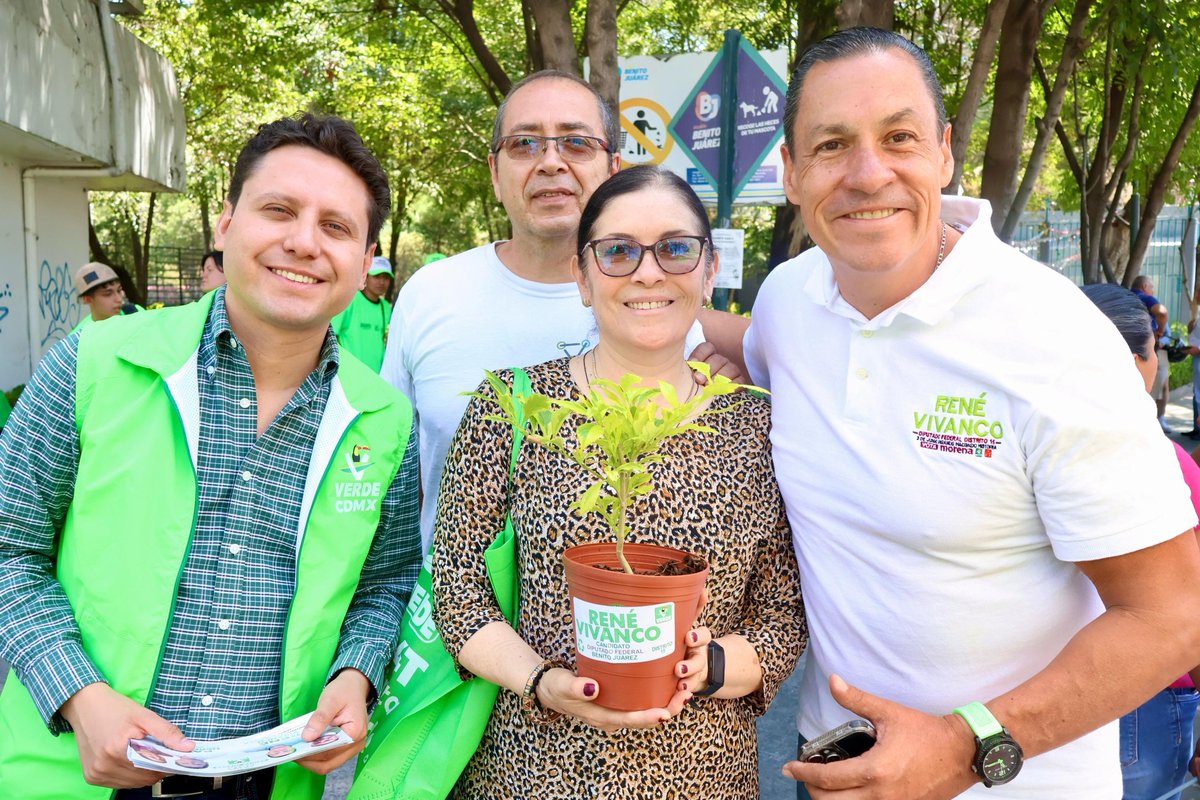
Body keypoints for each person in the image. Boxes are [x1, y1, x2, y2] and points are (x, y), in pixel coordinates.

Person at [730, 27, 1200, 798]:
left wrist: (962, 746)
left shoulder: (1053, 338)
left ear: (945, 152)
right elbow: (726, 350)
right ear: (788, 170)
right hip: (835, 775)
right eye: (831, 145)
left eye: (899, 137)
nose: (867, 172)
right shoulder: (788, 301)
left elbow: (1172, 615)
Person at [0, 113, 422, 800]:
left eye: (336, 227)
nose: (303, 242)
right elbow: (8, 547)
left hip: (271, 780)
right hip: (76, 771)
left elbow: (384, 585)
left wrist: (357, 675)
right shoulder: (96, 362)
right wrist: (77, 695)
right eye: (279, 210)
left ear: (366, 254)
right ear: (225, 225)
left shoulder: (384, 418)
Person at [431, 165, 804, 798]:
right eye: (618, 251)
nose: (648, 271)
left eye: (676, 248)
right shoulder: (514, 406)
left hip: (704, 776)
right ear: (581, 277)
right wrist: (543, 681)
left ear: (710, 271)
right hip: (529, 770)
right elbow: (457, 589)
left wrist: (709, 666)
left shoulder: (757, 427)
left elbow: (784, 614)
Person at [381, 70, 730, 553]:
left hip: (622, 613)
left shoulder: (656, 303)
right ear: (494, 172)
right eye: (524, 143)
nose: (550, 163)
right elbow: (393, 481)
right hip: (452, 612)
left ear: (613, 170)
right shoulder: (430, 294)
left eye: (576, 143)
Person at [1081, 283, 1200, 800]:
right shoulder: (1162, 465)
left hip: (1033, 692)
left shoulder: (1013, 460)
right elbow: (1190, 605)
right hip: (1147, 696)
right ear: (1135, 363)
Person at [330, 255, 393, 372]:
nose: (382, 282)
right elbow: (331, 336)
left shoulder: (386, 307)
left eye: (386, 278)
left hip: (376, 376)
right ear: (366, 277)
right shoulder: (349, 300)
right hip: (349, 374)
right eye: (377, 276)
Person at [1132, 275, 1172, 431]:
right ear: (1144, 286)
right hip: (1150, 348)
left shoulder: (1126, 297)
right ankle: (1156, 420)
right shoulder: (1144, 297)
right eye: (1152, 287)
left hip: (1136, 347)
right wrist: (1160, 332)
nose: (1153, 291)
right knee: (1156, 386)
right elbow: (1161, 312)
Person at [72, 261, 135, 330]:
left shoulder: (135, 312)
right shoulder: (81, 336)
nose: (119, 299)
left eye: (119, 290)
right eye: (108, 294)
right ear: (87, 299)